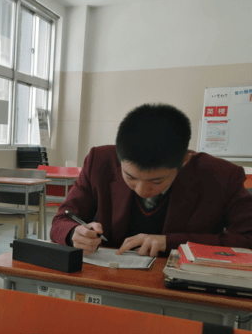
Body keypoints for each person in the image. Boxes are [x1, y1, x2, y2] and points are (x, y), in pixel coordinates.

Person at [50, 103, 252, 256]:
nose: (141, 190)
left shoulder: (221, 176)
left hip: (181, 283)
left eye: (156, 181)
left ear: (184, 160)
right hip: (109, 275)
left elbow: (247, 239)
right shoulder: (100, 162)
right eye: (130, 177)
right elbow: (62, 220)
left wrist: (169, 242)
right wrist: (74, 233)